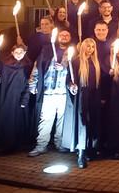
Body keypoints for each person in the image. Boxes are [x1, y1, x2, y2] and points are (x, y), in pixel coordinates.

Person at [28, 27, 73, 156]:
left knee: (62, 120)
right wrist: (32, 84)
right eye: (62, 35)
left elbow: (75, 72)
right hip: (48, 91)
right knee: (46, 119)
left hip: (64, 92)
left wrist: (65, 67)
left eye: (67, 35)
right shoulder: (47, 50)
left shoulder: (72, 53)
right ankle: (41, 145)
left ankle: (60, 143)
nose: (64, 37)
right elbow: (37, 67)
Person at [0, 44, 32, 154]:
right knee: (6, 120)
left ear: (25, 53)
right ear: (12, 52)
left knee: (18, 122)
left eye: (21, 52)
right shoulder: (5, 64)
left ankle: (17, 144)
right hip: (6, 97)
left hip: (20, 97)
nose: (19, 54)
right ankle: (3, 144)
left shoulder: (27, 66)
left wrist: (25, 98)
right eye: (16, 52)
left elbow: (29, 83)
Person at [60, 38, 102, 168]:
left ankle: (90, 149)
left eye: (92, 47)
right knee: (82, 124)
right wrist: (71, 85)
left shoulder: (95, 63)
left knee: (92, 123)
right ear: (83, 47)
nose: (90, 49)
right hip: (81, 97)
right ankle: (81, 153)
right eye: (88, 46)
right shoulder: (76, 61)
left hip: (93, 97)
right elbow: (68, 78)